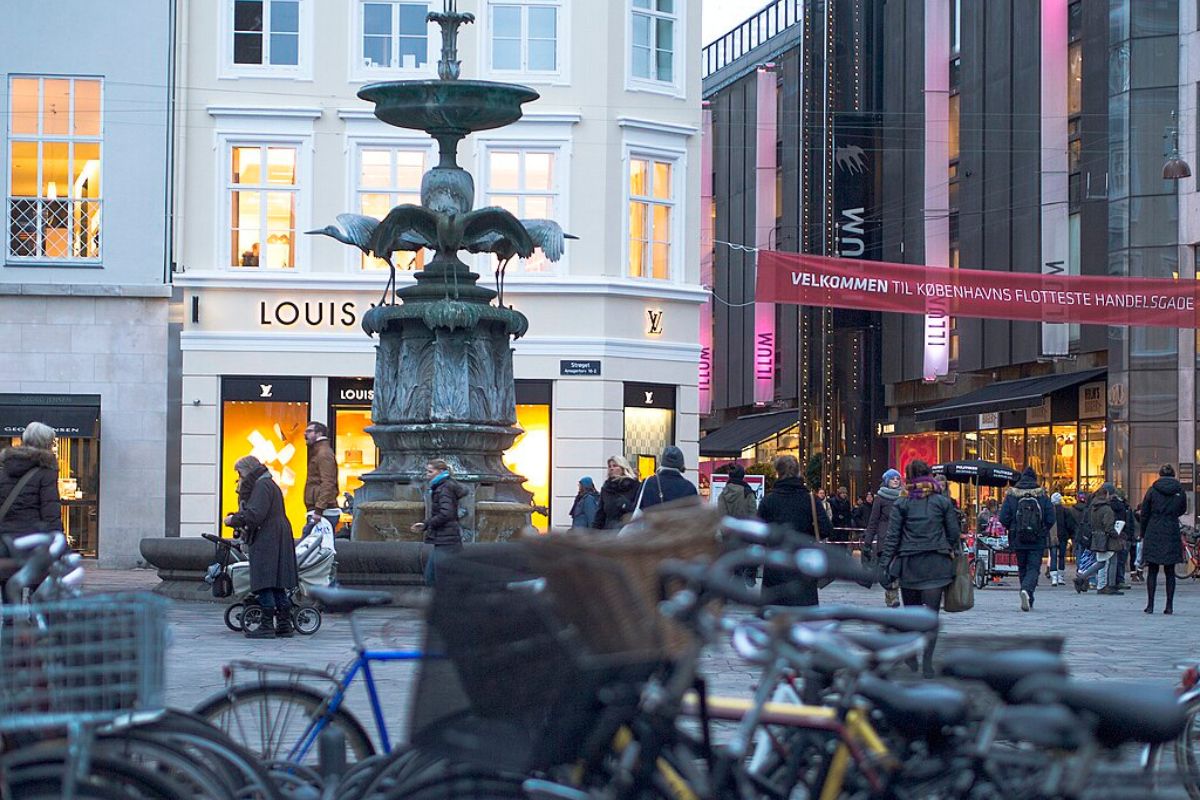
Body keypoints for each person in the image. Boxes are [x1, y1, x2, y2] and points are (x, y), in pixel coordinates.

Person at [878, 460, 960, 677]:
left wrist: (885, 564)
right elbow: (953, 533)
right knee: (931, 617)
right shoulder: (942, 501)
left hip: (910, 564)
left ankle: (911, 653)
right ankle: (927, 662)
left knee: (911, 615)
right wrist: (951, 550)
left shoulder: (902, 503)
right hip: (936, 564)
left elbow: (892, 537)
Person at [225, 456, 299, 638]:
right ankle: (284, 623)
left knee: (264, 578)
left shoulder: (261, 486)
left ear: (248, 471)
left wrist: (233, 520)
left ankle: (267, 625)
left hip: (268, 536)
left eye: (240, 474)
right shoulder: (267, 483)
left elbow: (255, 514)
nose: (239, 478)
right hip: (276, 534)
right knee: (276, 581)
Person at [758, 455, 833, 606]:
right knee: (804, 616)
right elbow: (826, 528)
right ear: (799, 472)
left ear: (778, 473)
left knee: (774, 616)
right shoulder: (810, 499)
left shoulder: (769, 500)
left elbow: (759, 532)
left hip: (775, 565)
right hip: (803, 562)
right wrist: (807, 534)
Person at [998, 466, 1055, 611]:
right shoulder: (1042, 496)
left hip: (1017, 537)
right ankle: (1027, 591)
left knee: (1022, 567)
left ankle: (1026, 593)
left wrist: (1012, 527)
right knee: (1034, 568)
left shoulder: (1012, 495)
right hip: (1037, 539)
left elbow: (1003, 517)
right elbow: (1051, 517)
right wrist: (1042, 529)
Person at [0, 422, 63, 552]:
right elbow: (50, 510)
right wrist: (59, 541)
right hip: (32, 538)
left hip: (5, 538)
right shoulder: (46, 471)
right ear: (47, 444)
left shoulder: (5, 468)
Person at [1138, 464, 1187, 614]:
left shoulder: (1152, 490)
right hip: (1171, 530)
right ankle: (1169, 606)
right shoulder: (1179, 490)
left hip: (1154, 530)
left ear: (1160, 475)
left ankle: (1150, 605)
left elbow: (1144, 512)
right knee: (1170, 571)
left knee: (1152, 570)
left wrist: (1143, 532)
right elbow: (1183, 509)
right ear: (1173, 475)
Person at [411, 459, 467, 586]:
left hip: (446, 539)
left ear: (440, 472)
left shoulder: (444, 488)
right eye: (427, 471)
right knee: (434, 576)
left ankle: (445, 603)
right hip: (446, 538)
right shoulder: (442, 486)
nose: (427, 474)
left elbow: (446, 513)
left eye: (430, 471)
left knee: (436, 578)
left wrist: (427, 524)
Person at [864, 468, 902, 608]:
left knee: (897, 568)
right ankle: (892, 596)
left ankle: (893, 594)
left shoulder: (903, 497)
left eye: (897, 479)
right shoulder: (880, 498)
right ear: (887, 481)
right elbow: (873, 521)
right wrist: (867, 542)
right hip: (885, 538)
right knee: (887, 569)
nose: (896, 481)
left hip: (900, 537)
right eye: (893, 479)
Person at [1074, 484, 1122, 595]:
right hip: (1107, 538)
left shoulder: (1094, 507)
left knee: (1101, 562)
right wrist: (1115, 533)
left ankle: (1082, 578)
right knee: (1112, 561)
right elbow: (1108, 526)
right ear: (1107, 495)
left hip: (1097, 537)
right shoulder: (1107, 509)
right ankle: (1110, 586)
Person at [718, 463, 760, 586]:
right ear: (742, 476)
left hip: (728, 538)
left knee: (732, 569)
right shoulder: (748, 493)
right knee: (740, 568)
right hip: (744, 537)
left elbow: (721, 517)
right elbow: (753, 516)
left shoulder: (723, 494)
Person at [637, 446, 699, 512]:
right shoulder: (689, 488)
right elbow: (696, 515)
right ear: (681, 464)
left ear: (662, 462)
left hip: (654, 522)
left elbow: (637, 510)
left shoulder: (648, 483)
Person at [303, 421, 340, 531]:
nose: (305, 434)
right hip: (320, 510)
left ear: (319, 433)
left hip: (323, 512)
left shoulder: (323, 453)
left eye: (309, 431)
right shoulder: (318, 451)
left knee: (311, 544)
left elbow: (328, 482)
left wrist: (319, 509)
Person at [593, 456, 640, 530]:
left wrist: (625, 505)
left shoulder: (635, 486)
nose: (611, 468)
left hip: (628, 532)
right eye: (609, 466)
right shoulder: (606, 488)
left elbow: (640, 511)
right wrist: (593, 532)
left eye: (615, 466)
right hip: (609, 532)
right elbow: (600, 514)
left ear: (623, 468)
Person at [1048, 492, 1076, 586]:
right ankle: (1061, 577)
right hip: (1063, 537)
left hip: (1052, 537)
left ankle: (1054, 577)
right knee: (1061, 557)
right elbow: (1070, 525)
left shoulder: (1049, 511)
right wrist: (1071, 535)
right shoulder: (1066, 511)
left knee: (1053, 556)